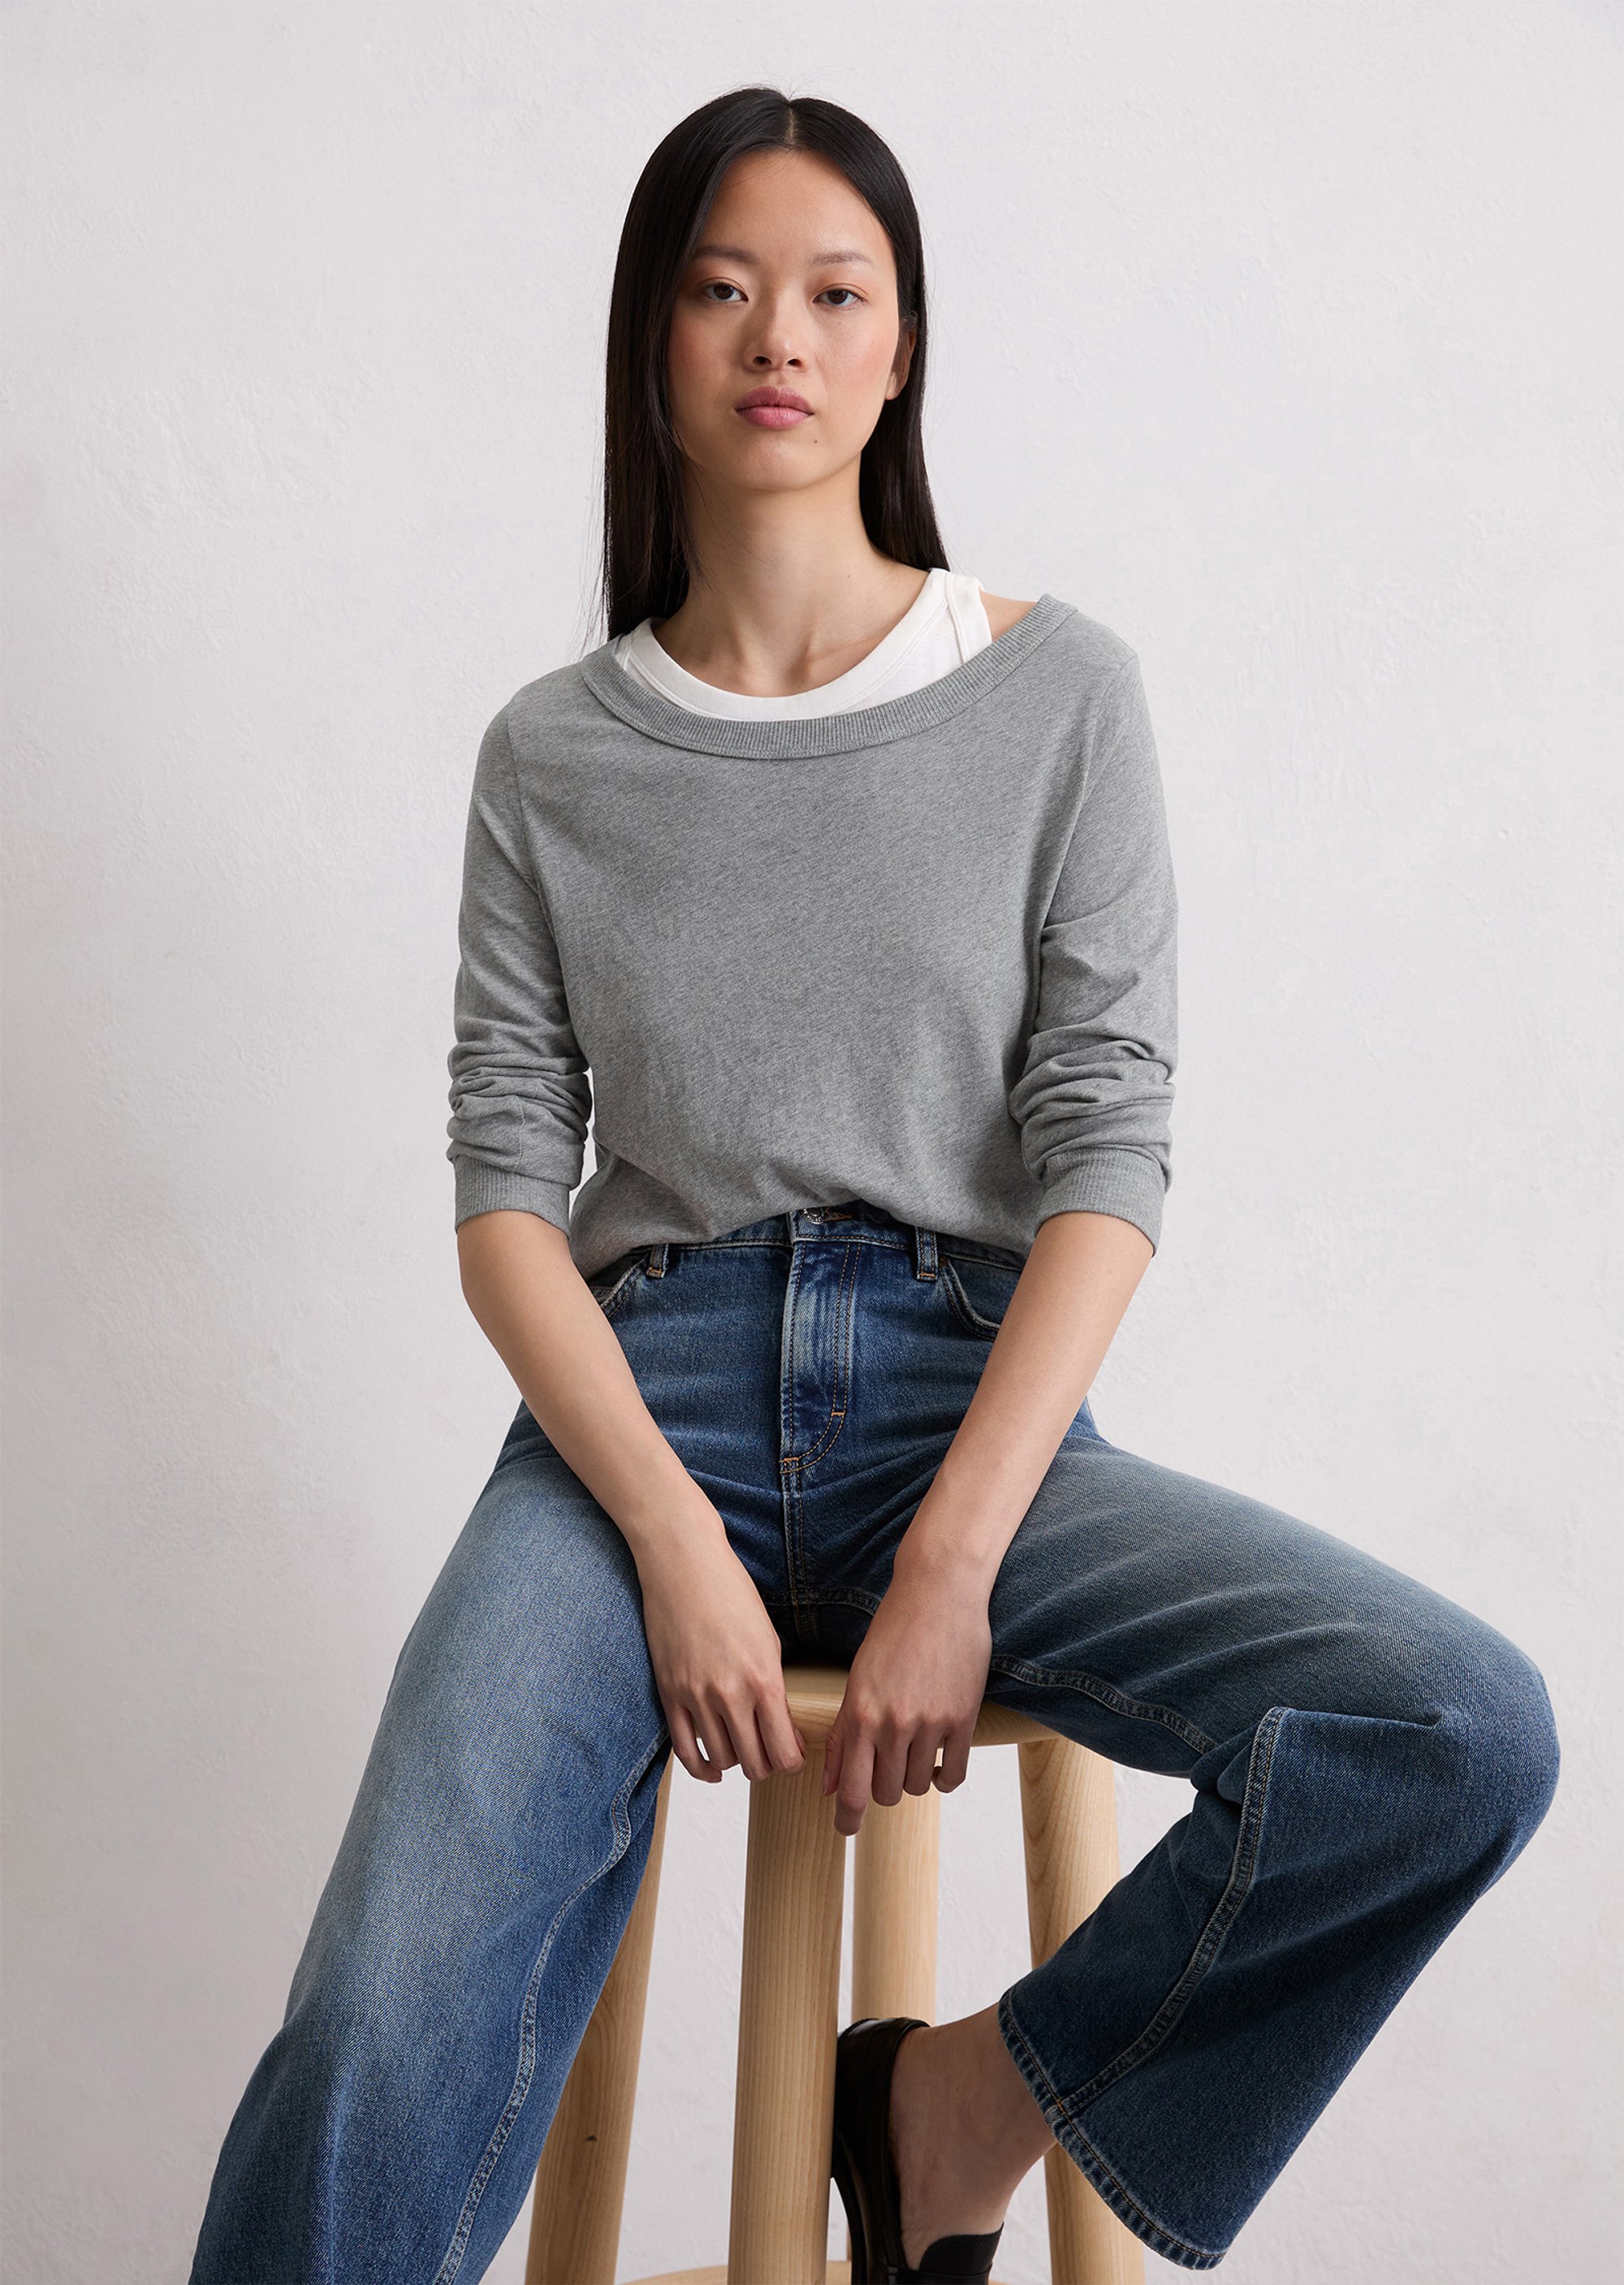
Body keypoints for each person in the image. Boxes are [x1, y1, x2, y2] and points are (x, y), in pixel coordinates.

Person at [188, 86, 1560, 2284]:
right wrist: (668, 1539)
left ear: (902, 348)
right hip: (633, 1430)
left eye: (837, 294)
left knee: (1454, 1731)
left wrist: (955, 1552)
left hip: (965, 1402)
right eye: (725, 289)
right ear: (654, 341)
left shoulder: (1056, 696)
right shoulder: (553, 755)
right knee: (370, 2024)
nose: (781, 339)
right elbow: (503, 1196)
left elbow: (1110, 1150)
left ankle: (953, 2112)